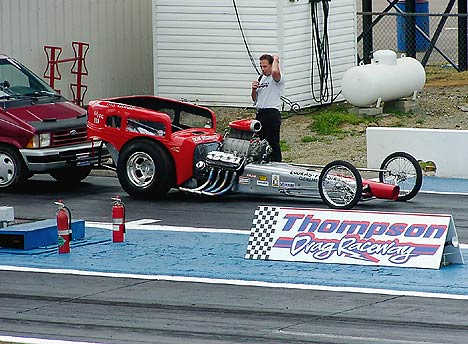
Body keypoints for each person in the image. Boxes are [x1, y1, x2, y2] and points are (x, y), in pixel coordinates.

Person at [251, 54, 284, 162]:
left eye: (265, 66)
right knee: (262, 142)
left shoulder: (276, 78)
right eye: (261, 66)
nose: (262, 69)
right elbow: (255, 99)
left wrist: (275, 59)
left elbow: (275, 72)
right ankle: (265, 162)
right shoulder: (262, 78)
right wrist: (254, 89)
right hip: (260, 113)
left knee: (272, 142)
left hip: (271, 113)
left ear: (271, 65)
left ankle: (276, 163)